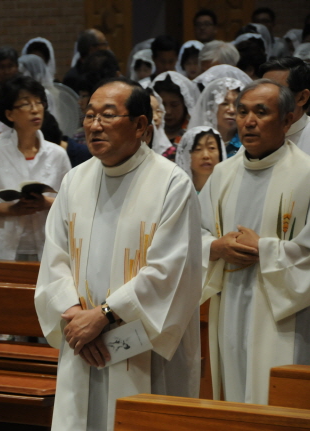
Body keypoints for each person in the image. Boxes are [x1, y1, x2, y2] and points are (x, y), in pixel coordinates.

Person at [35, 77, 201, 431]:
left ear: (140, 125)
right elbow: (54, 257)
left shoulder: (172, 184)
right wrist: (76, 317)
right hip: (81, 340)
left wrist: (105, 316)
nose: (95, 125)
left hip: (140, 348)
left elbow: (170, 272)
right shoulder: (74, 180)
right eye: (89, 115)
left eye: (108, 115)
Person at [199, 79, 310, 405]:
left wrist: (264, 248)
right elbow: (193, 234)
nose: (249, 121)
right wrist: (215, 247)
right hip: (229, 308)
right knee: (235, 400)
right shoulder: (222, 175)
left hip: (285, 317)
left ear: (287, 120)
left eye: (261, 112)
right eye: (243, 112)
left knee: (278, 403)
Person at [0, 75, 71, 261]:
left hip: (48, 244)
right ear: (10, 114)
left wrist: (45, 203)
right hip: (5, 246)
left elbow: (71, 200)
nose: (35, 109)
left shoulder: (57, 154)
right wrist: (12, 209)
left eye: (39, 102)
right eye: (26, 104)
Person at [261, 57, 310, 158]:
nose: (264, 100)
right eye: (262, 91)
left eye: (276, 92)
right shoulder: (255, 132)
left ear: (302, 98)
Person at [188, 77, 245, 157]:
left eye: (236, 104)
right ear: (211, 108)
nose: (232, 110)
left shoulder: (246, 144)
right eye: (224, 103)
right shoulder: (196, 143)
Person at [151, 71, 200, 158]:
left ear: (185, 105)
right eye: (162, 105)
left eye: (174, 105)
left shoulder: (195, 135)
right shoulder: (148, 134)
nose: (168, 111)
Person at [175, 126, 226, 192]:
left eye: (211, 148)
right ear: (186, 155)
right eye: (198, 149)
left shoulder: (229, 190)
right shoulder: (177, 192)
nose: (205, 155)